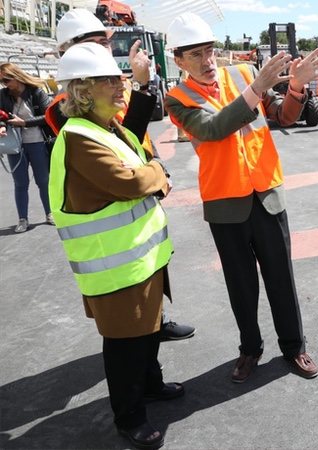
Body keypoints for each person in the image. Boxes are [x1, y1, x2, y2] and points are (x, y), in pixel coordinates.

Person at [164, 12, 318, 382]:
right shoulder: (177, 98)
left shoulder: (240, 74)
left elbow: (282, 118)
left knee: (282, 278)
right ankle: (250, 349)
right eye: (196, 55)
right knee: (241, 285)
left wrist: (297, 88)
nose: (207, 61)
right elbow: (213, 129)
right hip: (225, 203)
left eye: (210, 51)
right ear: (178, 60)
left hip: (267, 194)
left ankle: (294, 347)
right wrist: (257, 88)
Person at [49, 43, 183, 450]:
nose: (119, 85)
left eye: (119, 78)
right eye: (108, 80)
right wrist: (159, 172)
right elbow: (131, 181)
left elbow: (141, 159)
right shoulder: (78, 137)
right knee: (126, 344)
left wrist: (149, 170)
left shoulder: (109, 127)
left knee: (149, 331)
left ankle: (152, 385)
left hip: (141, 257)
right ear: (83, 90)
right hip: (114, 265)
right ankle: (130, 416)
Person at [46, 8, 196, 342]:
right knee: (128, 303)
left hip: (139, 183)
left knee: (147, 276)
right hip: (119, 203)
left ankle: (154, 323)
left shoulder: (103, 81)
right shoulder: (67, 104)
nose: (105, 49)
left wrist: (141, 87)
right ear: (69, 49)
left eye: (105, 42)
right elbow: (110, 152)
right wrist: (151, 172)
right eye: (96, 42)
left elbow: (126, 132)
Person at [0, 63, 52, 233]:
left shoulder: (36, 92)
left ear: (16, 76)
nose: (4, 84)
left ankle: (49, 213)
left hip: (37, 142)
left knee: (43, 181)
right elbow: (1, 114)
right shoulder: (3, 95)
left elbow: (48, 116)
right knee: (20, 183)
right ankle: (23, 218)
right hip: (15, 145)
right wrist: (2, 125)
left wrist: (24, 122)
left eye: (7, 79)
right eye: (1, 81)